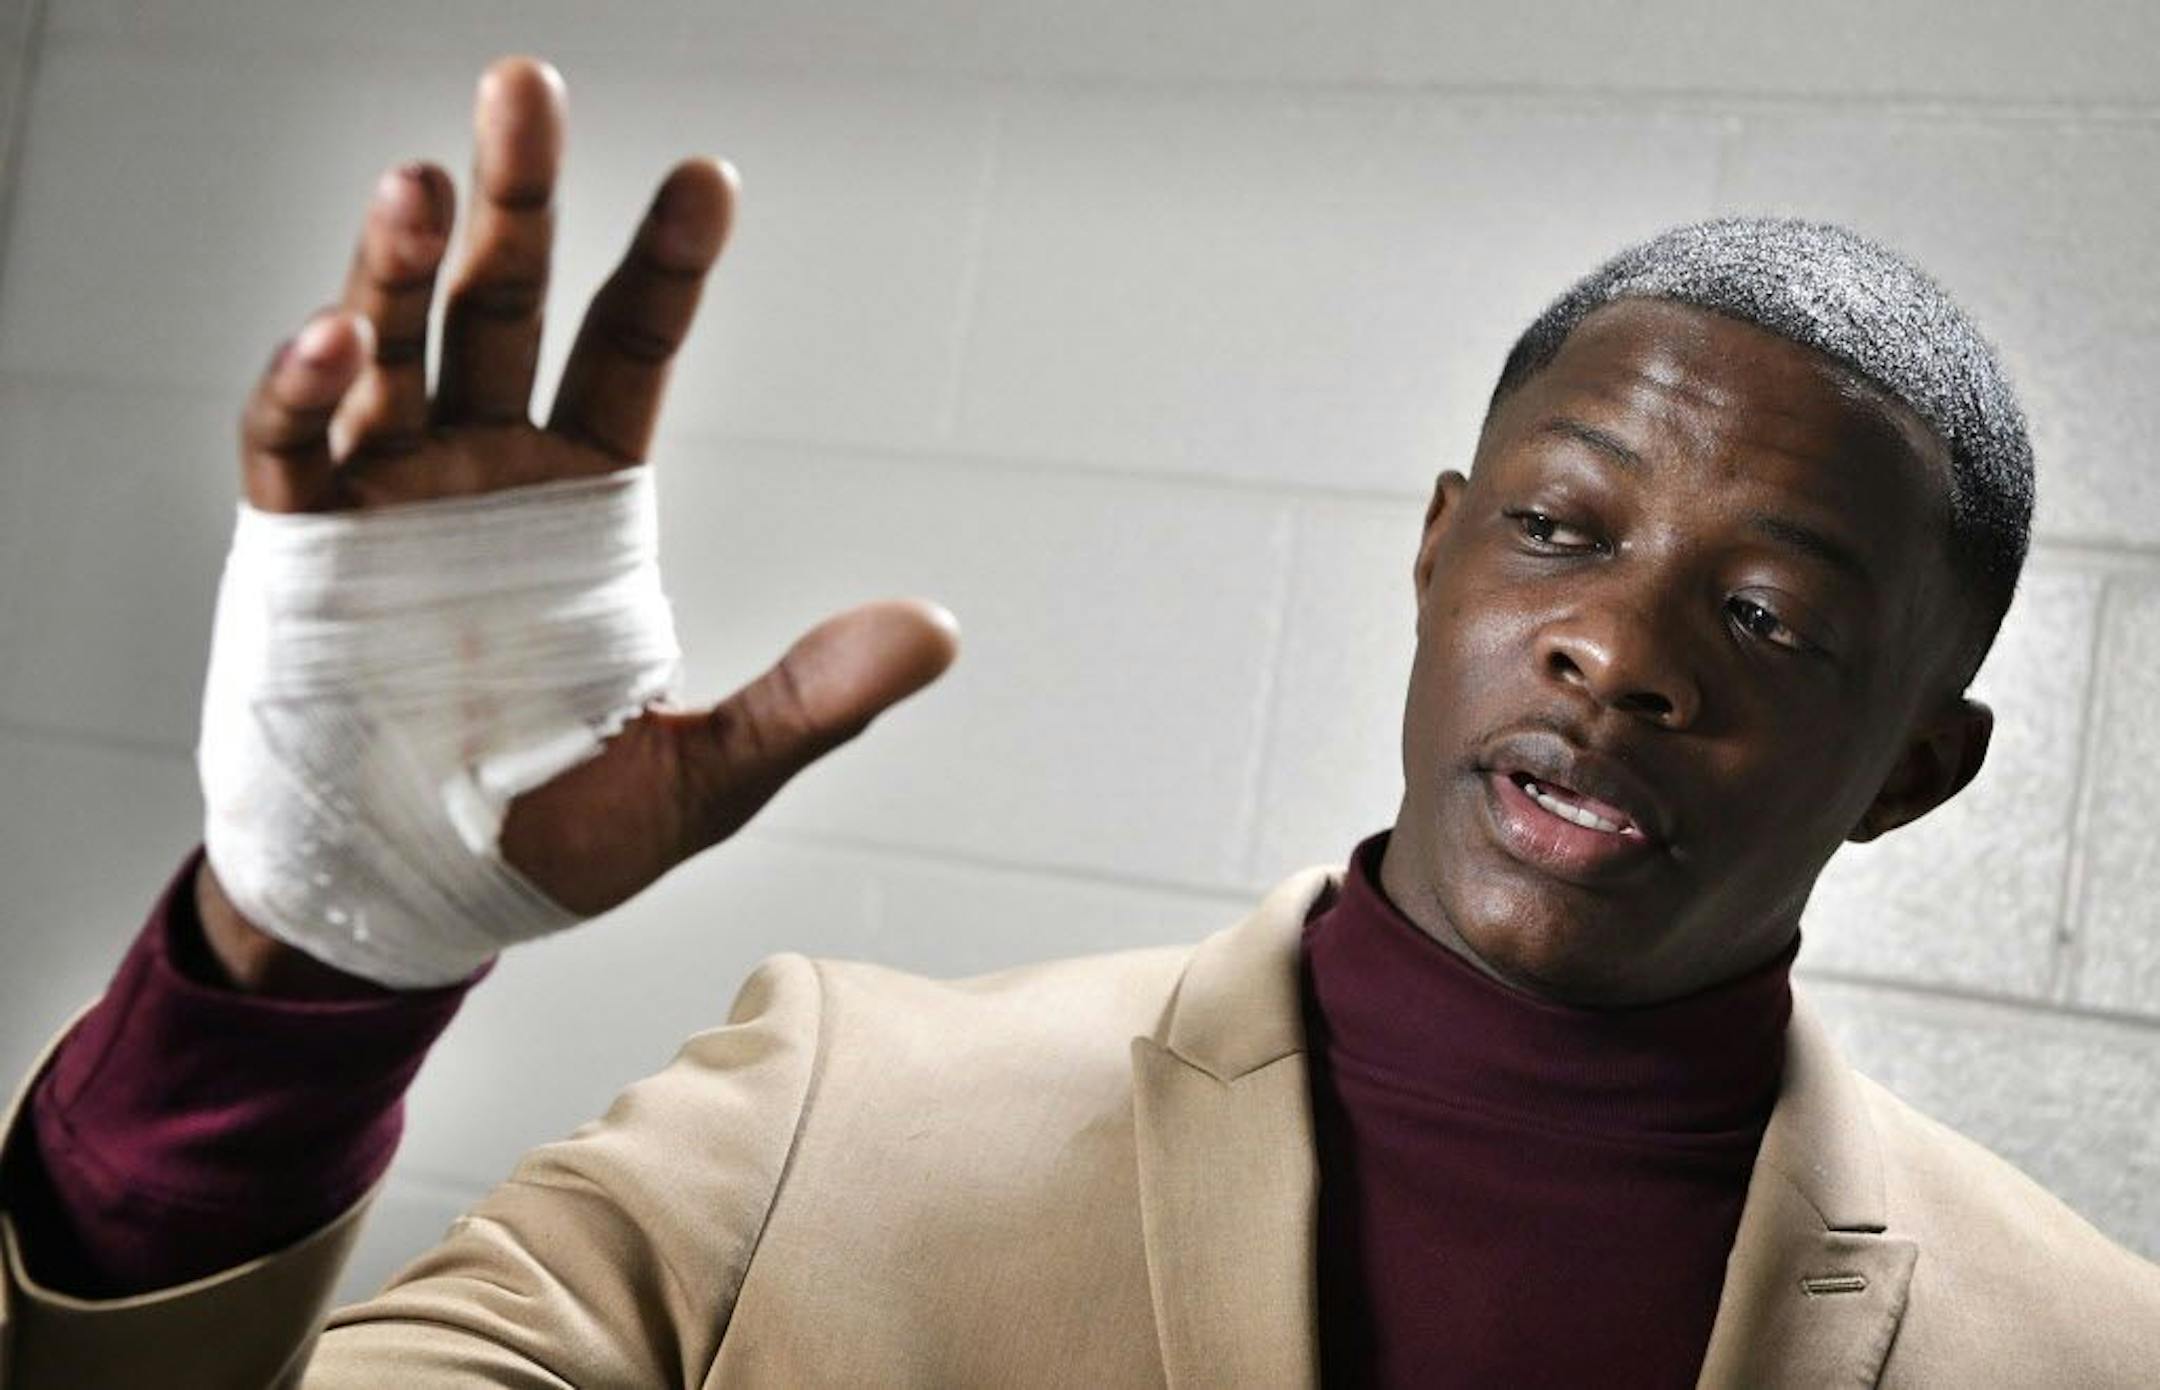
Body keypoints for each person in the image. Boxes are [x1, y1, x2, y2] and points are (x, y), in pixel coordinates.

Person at [0, 54, 2154, 1389]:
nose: (1619, 650)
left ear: (1911, 769)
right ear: (1435, 559)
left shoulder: (2085, 1347)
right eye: (1561, 528)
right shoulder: (827, 1122)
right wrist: (296, 977)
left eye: (1770, 615)